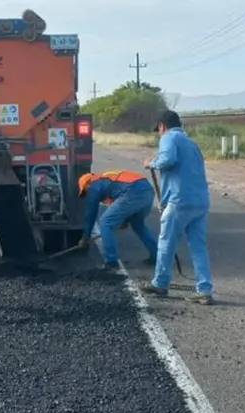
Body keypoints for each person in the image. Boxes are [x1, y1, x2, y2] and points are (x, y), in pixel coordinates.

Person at [140, 110, 215, 305]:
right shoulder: (192, 144)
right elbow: (183, 173)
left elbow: (168, 161)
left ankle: (160, 283)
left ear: (163, 126)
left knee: (166, 242)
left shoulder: (168, 138)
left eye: (159, 130)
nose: (159, 133)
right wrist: (163, 201)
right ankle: (205, 290)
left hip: (180, 201)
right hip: (200, 201)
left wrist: (151, 163)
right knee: (198, 246)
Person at [76, 169, 158, 270]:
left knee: (105, 223)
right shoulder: (108, 180)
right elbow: (121, 208)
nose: (87, 195)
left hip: (132, 191)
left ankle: (111, 262)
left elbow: (90, 214)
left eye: (85, 191)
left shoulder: (93, 185)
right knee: (138, 225)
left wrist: (86, 237)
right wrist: (123, 220)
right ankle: (157, 256)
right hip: (147, 191)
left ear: (87, 183)